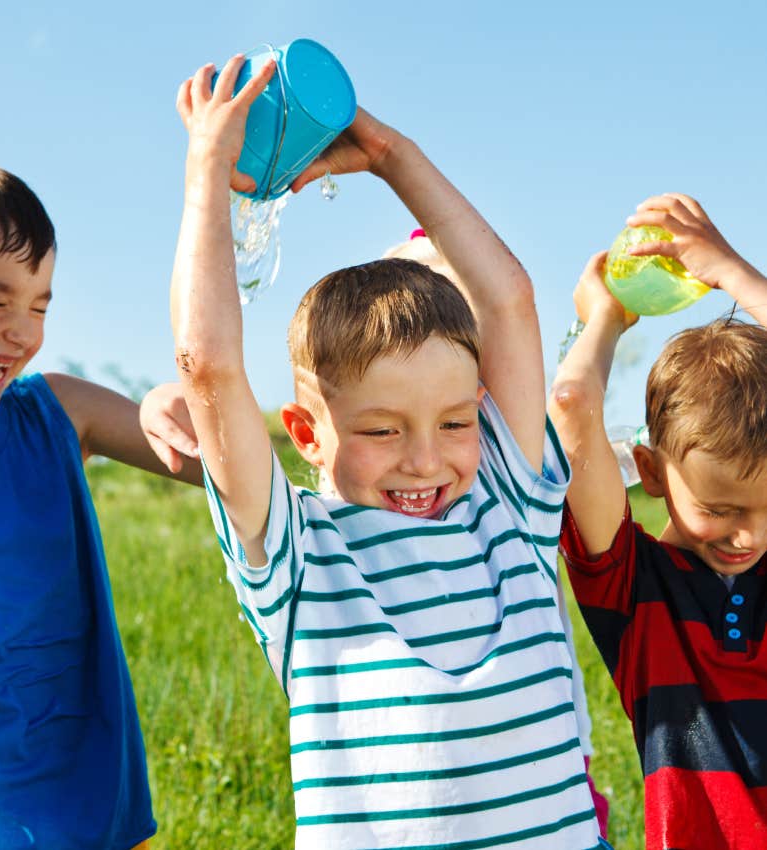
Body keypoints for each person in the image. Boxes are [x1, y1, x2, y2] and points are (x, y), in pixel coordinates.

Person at [159, 53, 608, 849]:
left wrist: (389, 156)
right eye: (381, 430)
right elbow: (210, 366)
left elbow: (509, 300)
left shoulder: (509, 502)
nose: (427, 461)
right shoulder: (297, 555)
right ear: (307, 434)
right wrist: (206, 171)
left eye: (456, 423)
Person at [0, 151, 199, 849]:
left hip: (98, 819)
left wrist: (179, 399)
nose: (24, 330)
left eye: (40, 305)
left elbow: (215, 465)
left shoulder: (59, 415)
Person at [549, 192, 767, 850]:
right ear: (648, 470)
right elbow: (570, 404)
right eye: (718, 509)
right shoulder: (634, 587)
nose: (749, 535)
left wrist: (733, 272)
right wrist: (606, 319)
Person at [383, 229, 610, 839]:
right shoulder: (374, 477)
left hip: (541, 775)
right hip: (415, 791)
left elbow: (515, 312)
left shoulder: (512, 474)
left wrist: (605, 321)